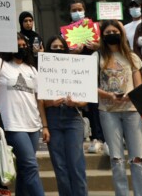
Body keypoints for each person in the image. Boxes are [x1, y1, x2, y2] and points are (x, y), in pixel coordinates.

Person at [0, 35, 47, 196]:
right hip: (12, 125)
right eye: (18, 45)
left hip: (33, 125)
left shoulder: (32, 69)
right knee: (31, 166)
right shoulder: (0, 64)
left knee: (25, 169)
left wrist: (45, 126)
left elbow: (39, 100)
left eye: (24, 45)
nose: (22, 48)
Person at [97, 20, 142, 196]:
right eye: (107, 32)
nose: (112, 34)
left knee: (137, 158)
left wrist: (131, 95)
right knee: (116, 159)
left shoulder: (132, 57)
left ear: (121, 33)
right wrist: (108, 95)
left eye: (115, 31)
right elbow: (89, 85)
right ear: (102, 36)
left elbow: (139, 86)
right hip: (108, 111)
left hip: (132, 111)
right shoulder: (97, 57)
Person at [39, 35, 87, 196]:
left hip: (73, 118)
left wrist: (76, 103)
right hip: (52, 119)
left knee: (76, 164)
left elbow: (85, 99)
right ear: (48, 49)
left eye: (61, 47)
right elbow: (40, 102)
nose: (58, 50)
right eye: (54, 47)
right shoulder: (42, 70)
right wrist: (45, 125)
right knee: (60, 167)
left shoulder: (75, 68)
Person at [64, 0, 105, 154]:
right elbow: (64, 51)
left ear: (85, 10)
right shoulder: (68, 30)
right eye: (73, 10)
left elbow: (104, 46)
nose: (77, 12)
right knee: (82, 104)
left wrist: (96, 45)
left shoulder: (94, 27)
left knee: (94, 104)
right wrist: (74, 51)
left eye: (79, 9)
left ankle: (98, 137)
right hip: (77, 71)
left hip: (94, 71)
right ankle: (86, 133)